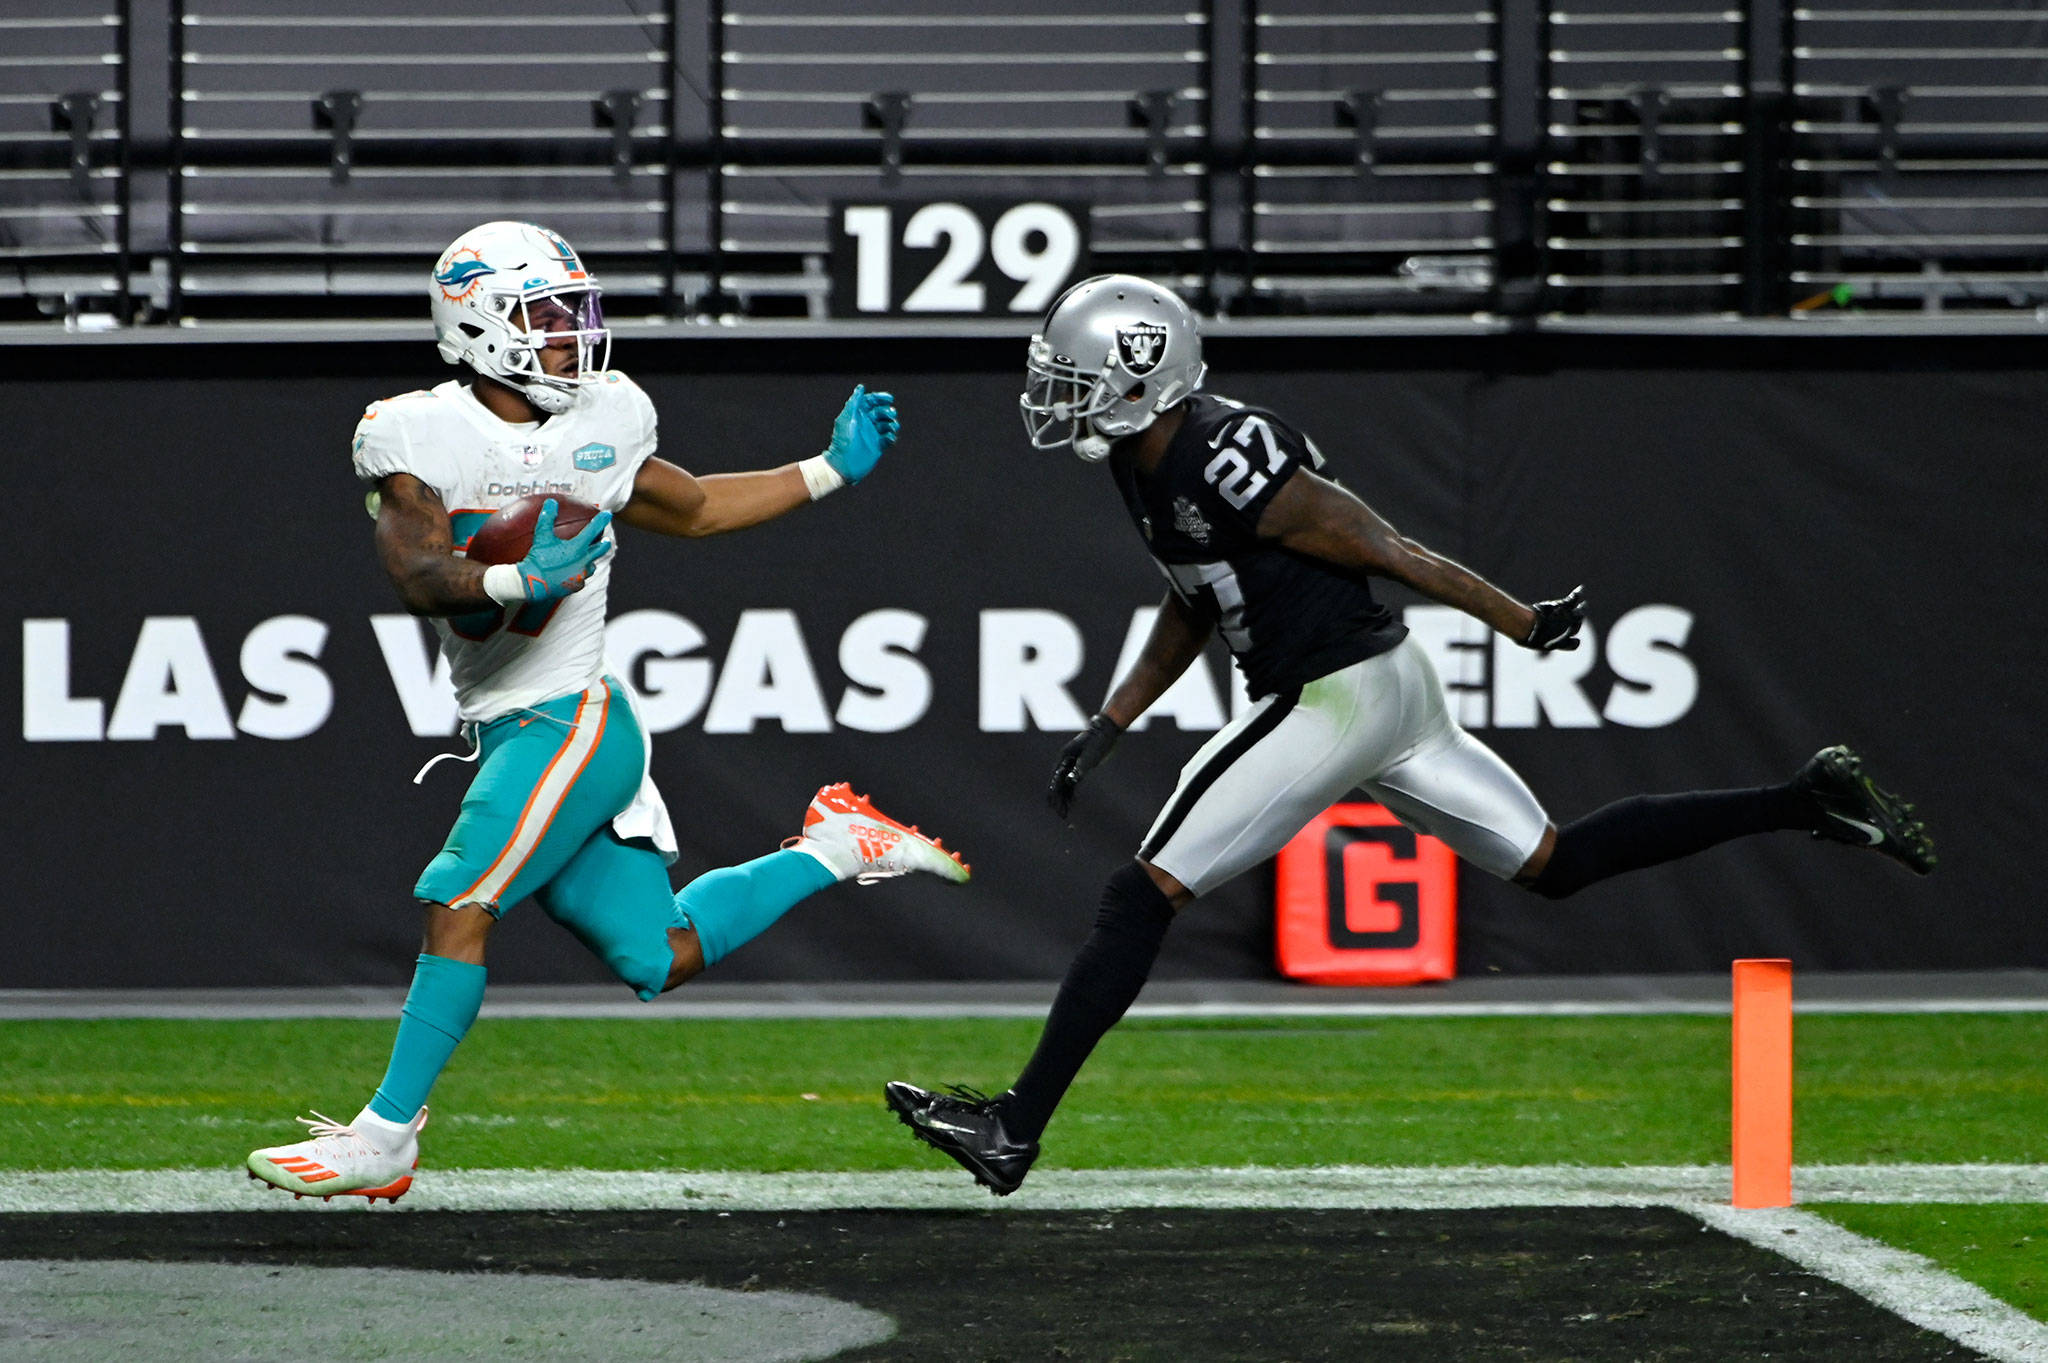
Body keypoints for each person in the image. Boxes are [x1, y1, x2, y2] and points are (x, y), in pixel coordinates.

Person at [883, 273, 1933, 1196]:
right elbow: (1194, 597)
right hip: (1385, 692)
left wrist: (1518, 620)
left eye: (1075, 376)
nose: (1056, 396)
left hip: (1333, 694)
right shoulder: (1140, 459)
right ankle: (1804, 800)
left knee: (1137, 893)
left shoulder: (1222, 455)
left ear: (1142, 375)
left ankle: (1012, 1129)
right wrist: (1111, 719)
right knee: (1553, 862)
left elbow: (1385, 545)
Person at [247, 221, 968, 1202]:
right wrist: (507, 577)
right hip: (505, 719)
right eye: (543, 315)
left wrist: (827, 469)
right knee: (656, 953)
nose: (568, 335)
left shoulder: (608, 413)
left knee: (458, 900)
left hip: (572, 718)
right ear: (475, 322)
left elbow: (698, 506)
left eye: (571, 311)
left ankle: (385, 1136)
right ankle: (838, 845)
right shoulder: (416, 430)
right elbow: (416, 569)